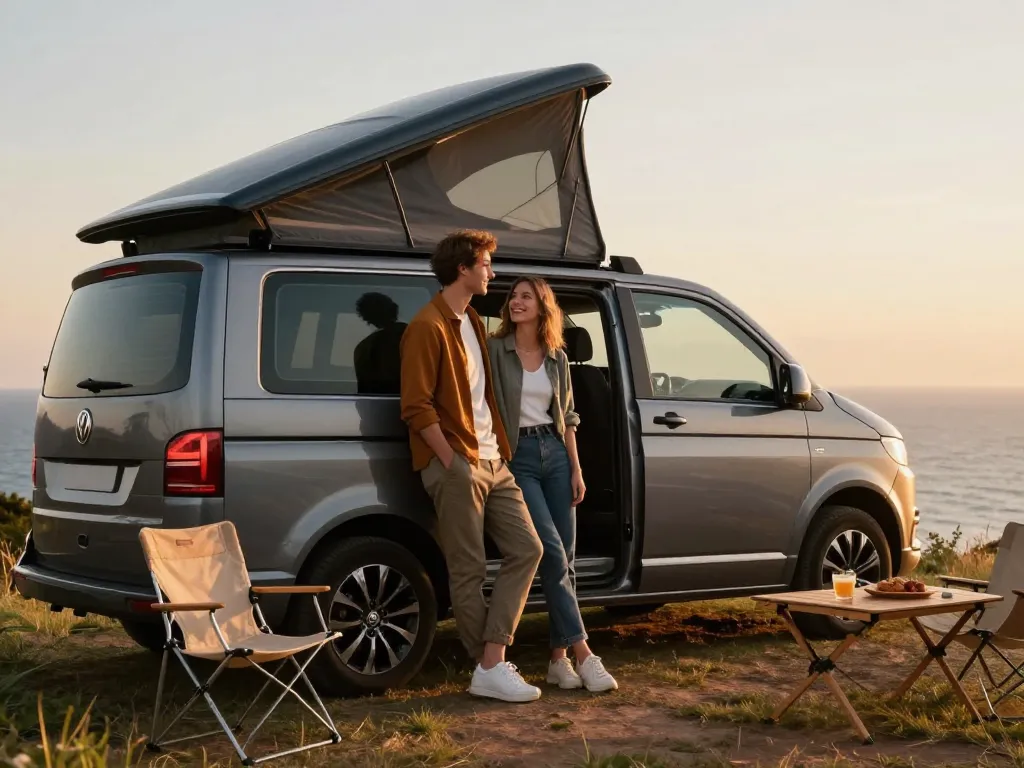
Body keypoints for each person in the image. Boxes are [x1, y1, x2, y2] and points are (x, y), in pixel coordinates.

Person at [399, 230, 544, 703]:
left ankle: (491, 660)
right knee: (469, 566)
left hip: (493, 459)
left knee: (528, 549)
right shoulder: (427, 326)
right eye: (486, 264)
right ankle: (491, 667)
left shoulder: (473, 323)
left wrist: (494, 451)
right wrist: (452, 460)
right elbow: (416, 407)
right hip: (457, 463)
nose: (492, 273)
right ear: (463, 268)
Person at [487, 276, 618, 692]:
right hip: (518, 457)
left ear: (543, 307)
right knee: (550, 553)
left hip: (557, 454)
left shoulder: (557, 358)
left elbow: (569, 418)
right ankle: (584, 652)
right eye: (513, 296)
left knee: (568, 559)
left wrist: (577, 469)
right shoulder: (495, 351)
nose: (516, 302)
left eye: (526, 297)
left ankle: (558, 661)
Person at [353, 292, 407, 394]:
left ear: (366, 318)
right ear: (394, 309)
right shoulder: (416, 336)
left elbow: (364, 392)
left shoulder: (363, 348)